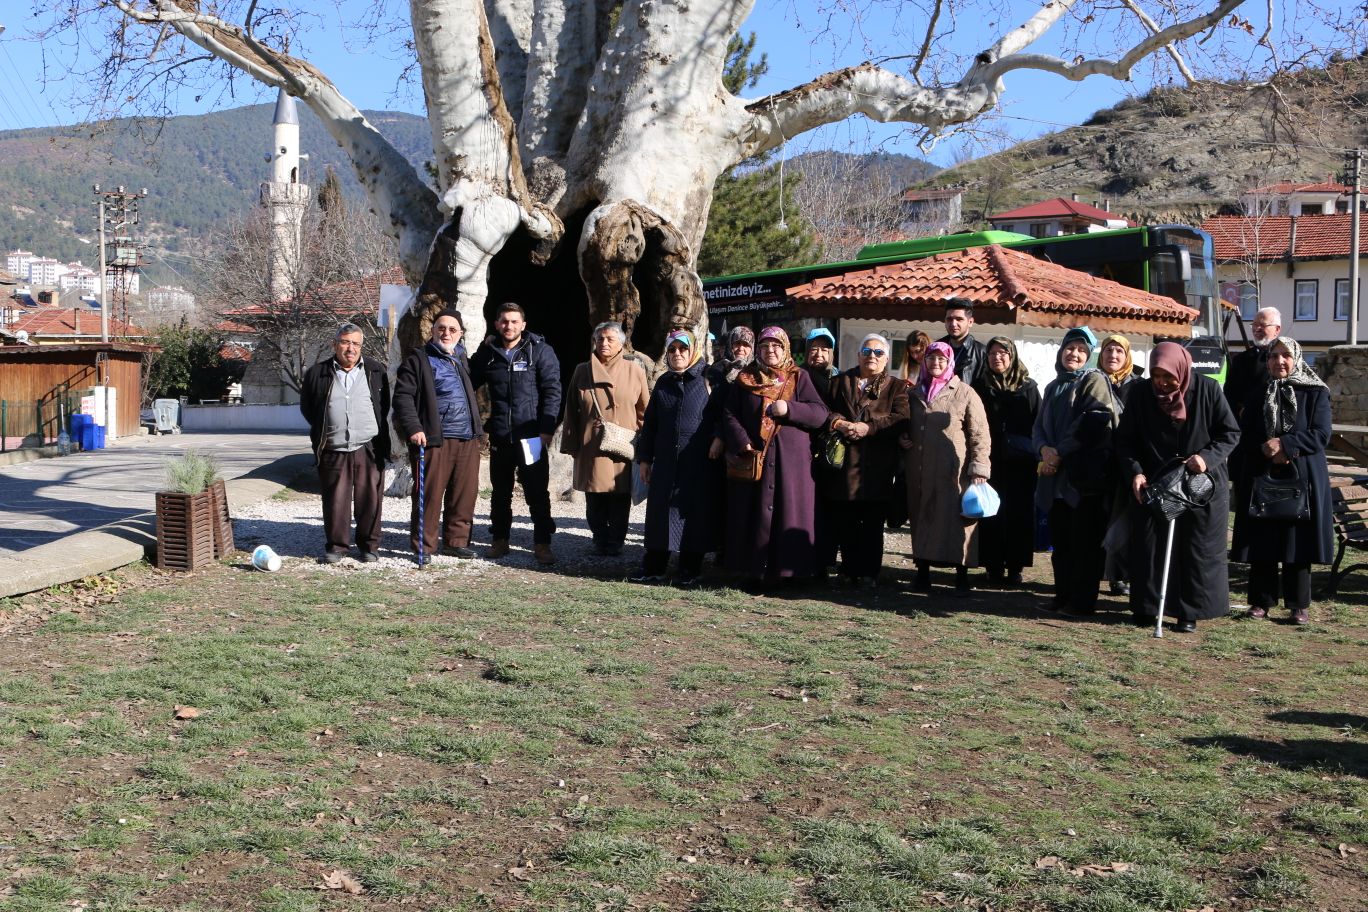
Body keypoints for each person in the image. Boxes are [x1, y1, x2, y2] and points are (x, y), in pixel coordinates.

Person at [1117, 342, 1240, 633]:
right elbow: (1125, 440)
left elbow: (1230, 433)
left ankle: (1189, 611)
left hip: (1199, 485)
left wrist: (1205, 458)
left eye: (1168, 377)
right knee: (1149, 547)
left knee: (1194, 548)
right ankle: (1147, 606)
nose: (1162, 383)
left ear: (1182, 371)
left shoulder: (1208, 391)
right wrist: (1135, 472)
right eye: (1157, 375)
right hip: (1155, 482)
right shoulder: (1140, 394)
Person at [1230, 336, 1332, 626]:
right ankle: (1261, 602)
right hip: (1263, 472)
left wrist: (1286, 445)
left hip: (1302, 474)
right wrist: (1266, 448)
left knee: (1295, 540)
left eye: (1285, 355)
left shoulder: (1315, 392)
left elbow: (1321, 433)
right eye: (1274, 356)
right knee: (1264, 536)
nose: (1279, 361)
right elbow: (1245, 431)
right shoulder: (1259, 391)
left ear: (1296, 358)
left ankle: (1298, 605)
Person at [720, 327, 830, 586]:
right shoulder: (745, 379)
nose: (771, 350)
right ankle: (753, 571)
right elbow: (729, 413)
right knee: (752, 514)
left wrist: (789, 408)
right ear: (758, 349)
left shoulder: (799, 377)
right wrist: (741, 440)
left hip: (791, 464)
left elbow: (819, 413)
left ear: (786, 348)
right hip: (754, 458)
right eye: (765, 345)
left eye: (776, 345)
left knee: (788, 512)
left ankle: (788, 574)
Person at [469, 302, 563, 565]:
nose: (508, 326)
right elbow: (469, 379)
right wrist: (480, 348)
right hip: (500, 435)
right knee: (500, 492)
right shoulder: (489, 354)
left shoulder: (539, 351)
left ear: (523, 324)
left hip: (531, 436)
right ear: (497, 324)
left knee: (536, 491)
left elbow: (552, 391)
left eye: (513, 321)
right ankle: (499, 539)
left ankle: (542, 543)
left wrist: (546, 429)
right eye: (503, 321)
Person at [1033, 327, 1118, 616]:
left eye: (1082, 350)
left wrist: (1059, 452)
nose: (1074, 354)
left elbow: (1092, 423)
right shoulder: (1053, 385)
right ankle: (1062, 595)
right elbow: (1039, 425)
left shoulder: (1093, 380)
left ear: (1089, 355)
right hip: (1054, 475)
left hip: (1082, 480)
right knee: (1062, 542)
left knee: (1084, 544)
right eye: (1070, 348)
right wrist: (1044, 449)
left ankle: (1082, 602)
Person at [392, 308, 486, 559]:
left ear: (460, 334)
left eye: (452, 329)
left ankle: (456, 542)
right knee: (430, 496)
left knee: (464, 494)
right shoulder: (418, 359)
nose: (446, 333)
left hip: (467, 437)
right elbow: (402, 397)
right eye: (441, 328)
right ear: (432, 331)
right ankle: (425, 546)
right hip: (435, 438)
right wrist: (414, 428)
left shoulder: (462, 359)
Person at [902, 340, 991, 594]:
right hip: (919, 468)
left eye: (942, 358)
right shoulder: (914, 392)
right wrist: (902, 437)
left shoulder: (964, 392)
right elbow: (903, 423)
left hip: (955, 470)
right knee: (921, 517)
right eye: (931, 358)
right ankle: (922, 573)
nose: (936, 363)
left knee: (957, 520)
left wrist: (979, 468)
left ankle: (962, 576)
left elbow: (980, 433)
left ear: (950, 361)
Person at [299, 323, 391, 563]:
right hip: (333, 447)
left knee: (370, 498)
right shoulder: (317, 373)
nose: (350, 348)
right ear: (335, 344)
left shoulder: (375, 370)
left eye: (356, 344)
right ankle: (337, 547)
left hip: (368, 446)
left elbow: (384, 406)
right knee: (335, 500)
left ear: (361, 347)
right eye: (345, 342)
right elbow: (309, 409)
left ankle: (369, 546)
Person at [823, 334, 910, 587]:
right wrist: (841, 423)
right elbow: (826, 409)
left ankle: (870, 573)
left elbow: (901, 418)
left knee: (872, 523)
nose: (872, 356)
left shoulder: (896, 386)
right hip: (846, 463)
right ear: (859, 355)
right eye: (867, 351)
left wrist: (869, 428)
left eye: (878, 352)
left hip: (877, 466)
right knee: (847, 521)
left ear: (886, 358)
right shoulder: (840, 381)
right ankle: (848, 570)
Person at [635, 330, 719, 586]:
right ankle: (654, 568)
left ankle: (689, 571)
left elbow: (722, 415)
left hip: (698, 463)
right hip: (666, 462)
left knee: (693, 515)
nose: (677, 354)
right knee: (659, 516)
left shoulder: (710, 378)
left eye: (683, 349)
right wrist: (645, 459)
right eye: (672, 349)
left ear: (692, 350)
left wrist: (719, 439)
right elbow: (650, 425)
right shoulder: (663, 382)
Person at [560, 322, 649, 555]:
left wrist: (646, 445)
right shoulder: (582, 370)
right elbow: (570, 410)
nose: (604, 343)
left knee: (620, 495)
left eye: (610, 339)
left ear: (621, 343)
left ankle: (616, 541)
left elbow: (644, 412)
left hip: (624, 444)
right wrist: (570, 443)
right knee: (594, 494)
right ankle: (600, 538)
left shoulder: (635, 372)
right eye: (600, 339)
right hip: (591, 443)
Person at [972, 337, 1040, 588]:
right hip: (991, 462)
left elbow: (1038, 424)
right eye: (991, 354)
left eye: (1002, 353)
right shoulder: (980, 385)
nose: (997, 358)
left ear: (1012, 356)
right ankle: (992, 567)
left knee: (1018, 515)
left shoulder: (1028, 387)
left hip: (1021, 465)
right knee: (990, 513)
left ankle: (1015, 567)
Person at [1098, 334, 1142, 596]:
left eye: (1118, 352)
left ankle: (1120, 576)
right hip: (1099, 463)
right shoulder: (1092, 380)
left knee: (1123, 520)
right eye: (1108, 350)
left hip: (1127, 463)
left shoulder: (1138, 387)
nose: (1112, 356)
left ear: (1127, 356)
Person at [803, 327, 841, 577]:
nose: (819, 354)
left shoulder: (840, 379)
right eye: (814, 348)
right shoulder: (797, 376)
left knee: (829, 509)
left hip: (830, 453)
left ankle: (825, 560)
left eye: (825, 349)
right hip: (802, 448)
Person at [1225, 306, 1282, 420]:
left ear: (1277, 329)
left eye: (1263, 325)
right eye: (1255, 325)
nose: (1257, 329)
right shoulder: (1240, 360)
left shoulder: (1286, 361)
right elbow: (1229, 395)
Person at [939, 299, 988, 387]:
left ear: (970, 322)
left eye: (959, 319)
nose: (953, 324)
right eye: (949, 319)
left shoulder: (982, 353)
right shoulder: (935, 349)